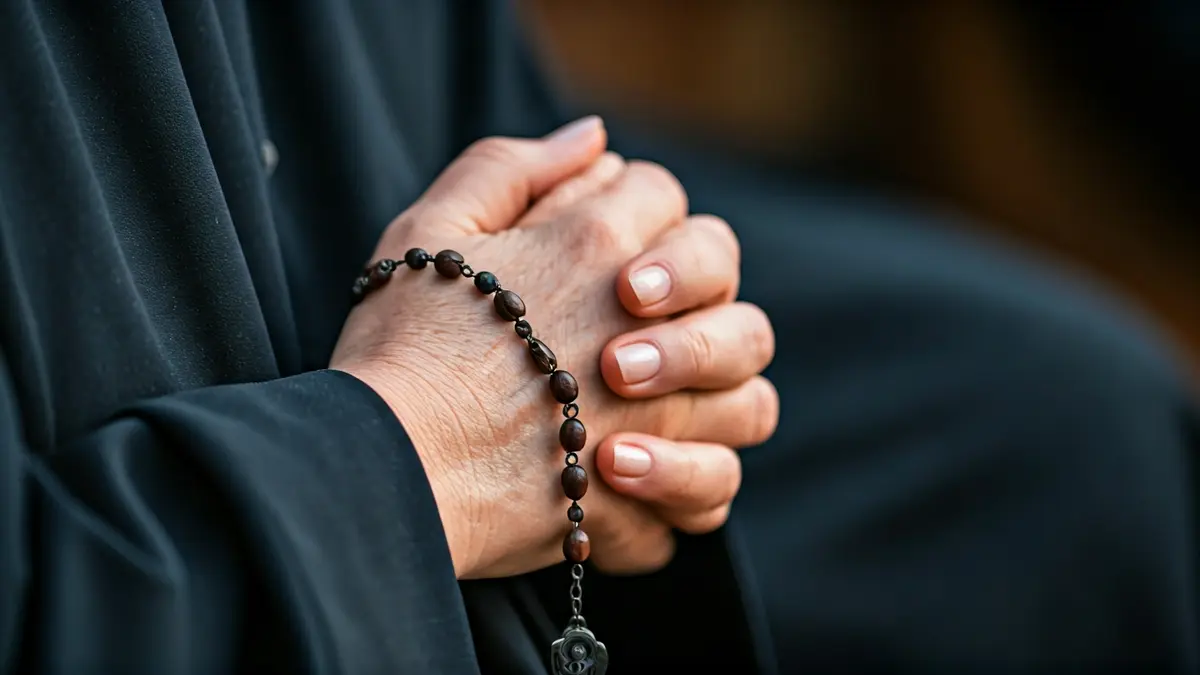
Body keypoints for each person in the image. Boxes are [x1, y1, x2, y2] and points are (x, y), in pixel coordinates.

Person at [1, 2, 1195, 675]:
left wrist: (634, 293)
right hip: (238, 515)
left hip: (402, 216)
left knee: (1074, 448)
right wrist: (419, 442)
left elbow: (477, 108)